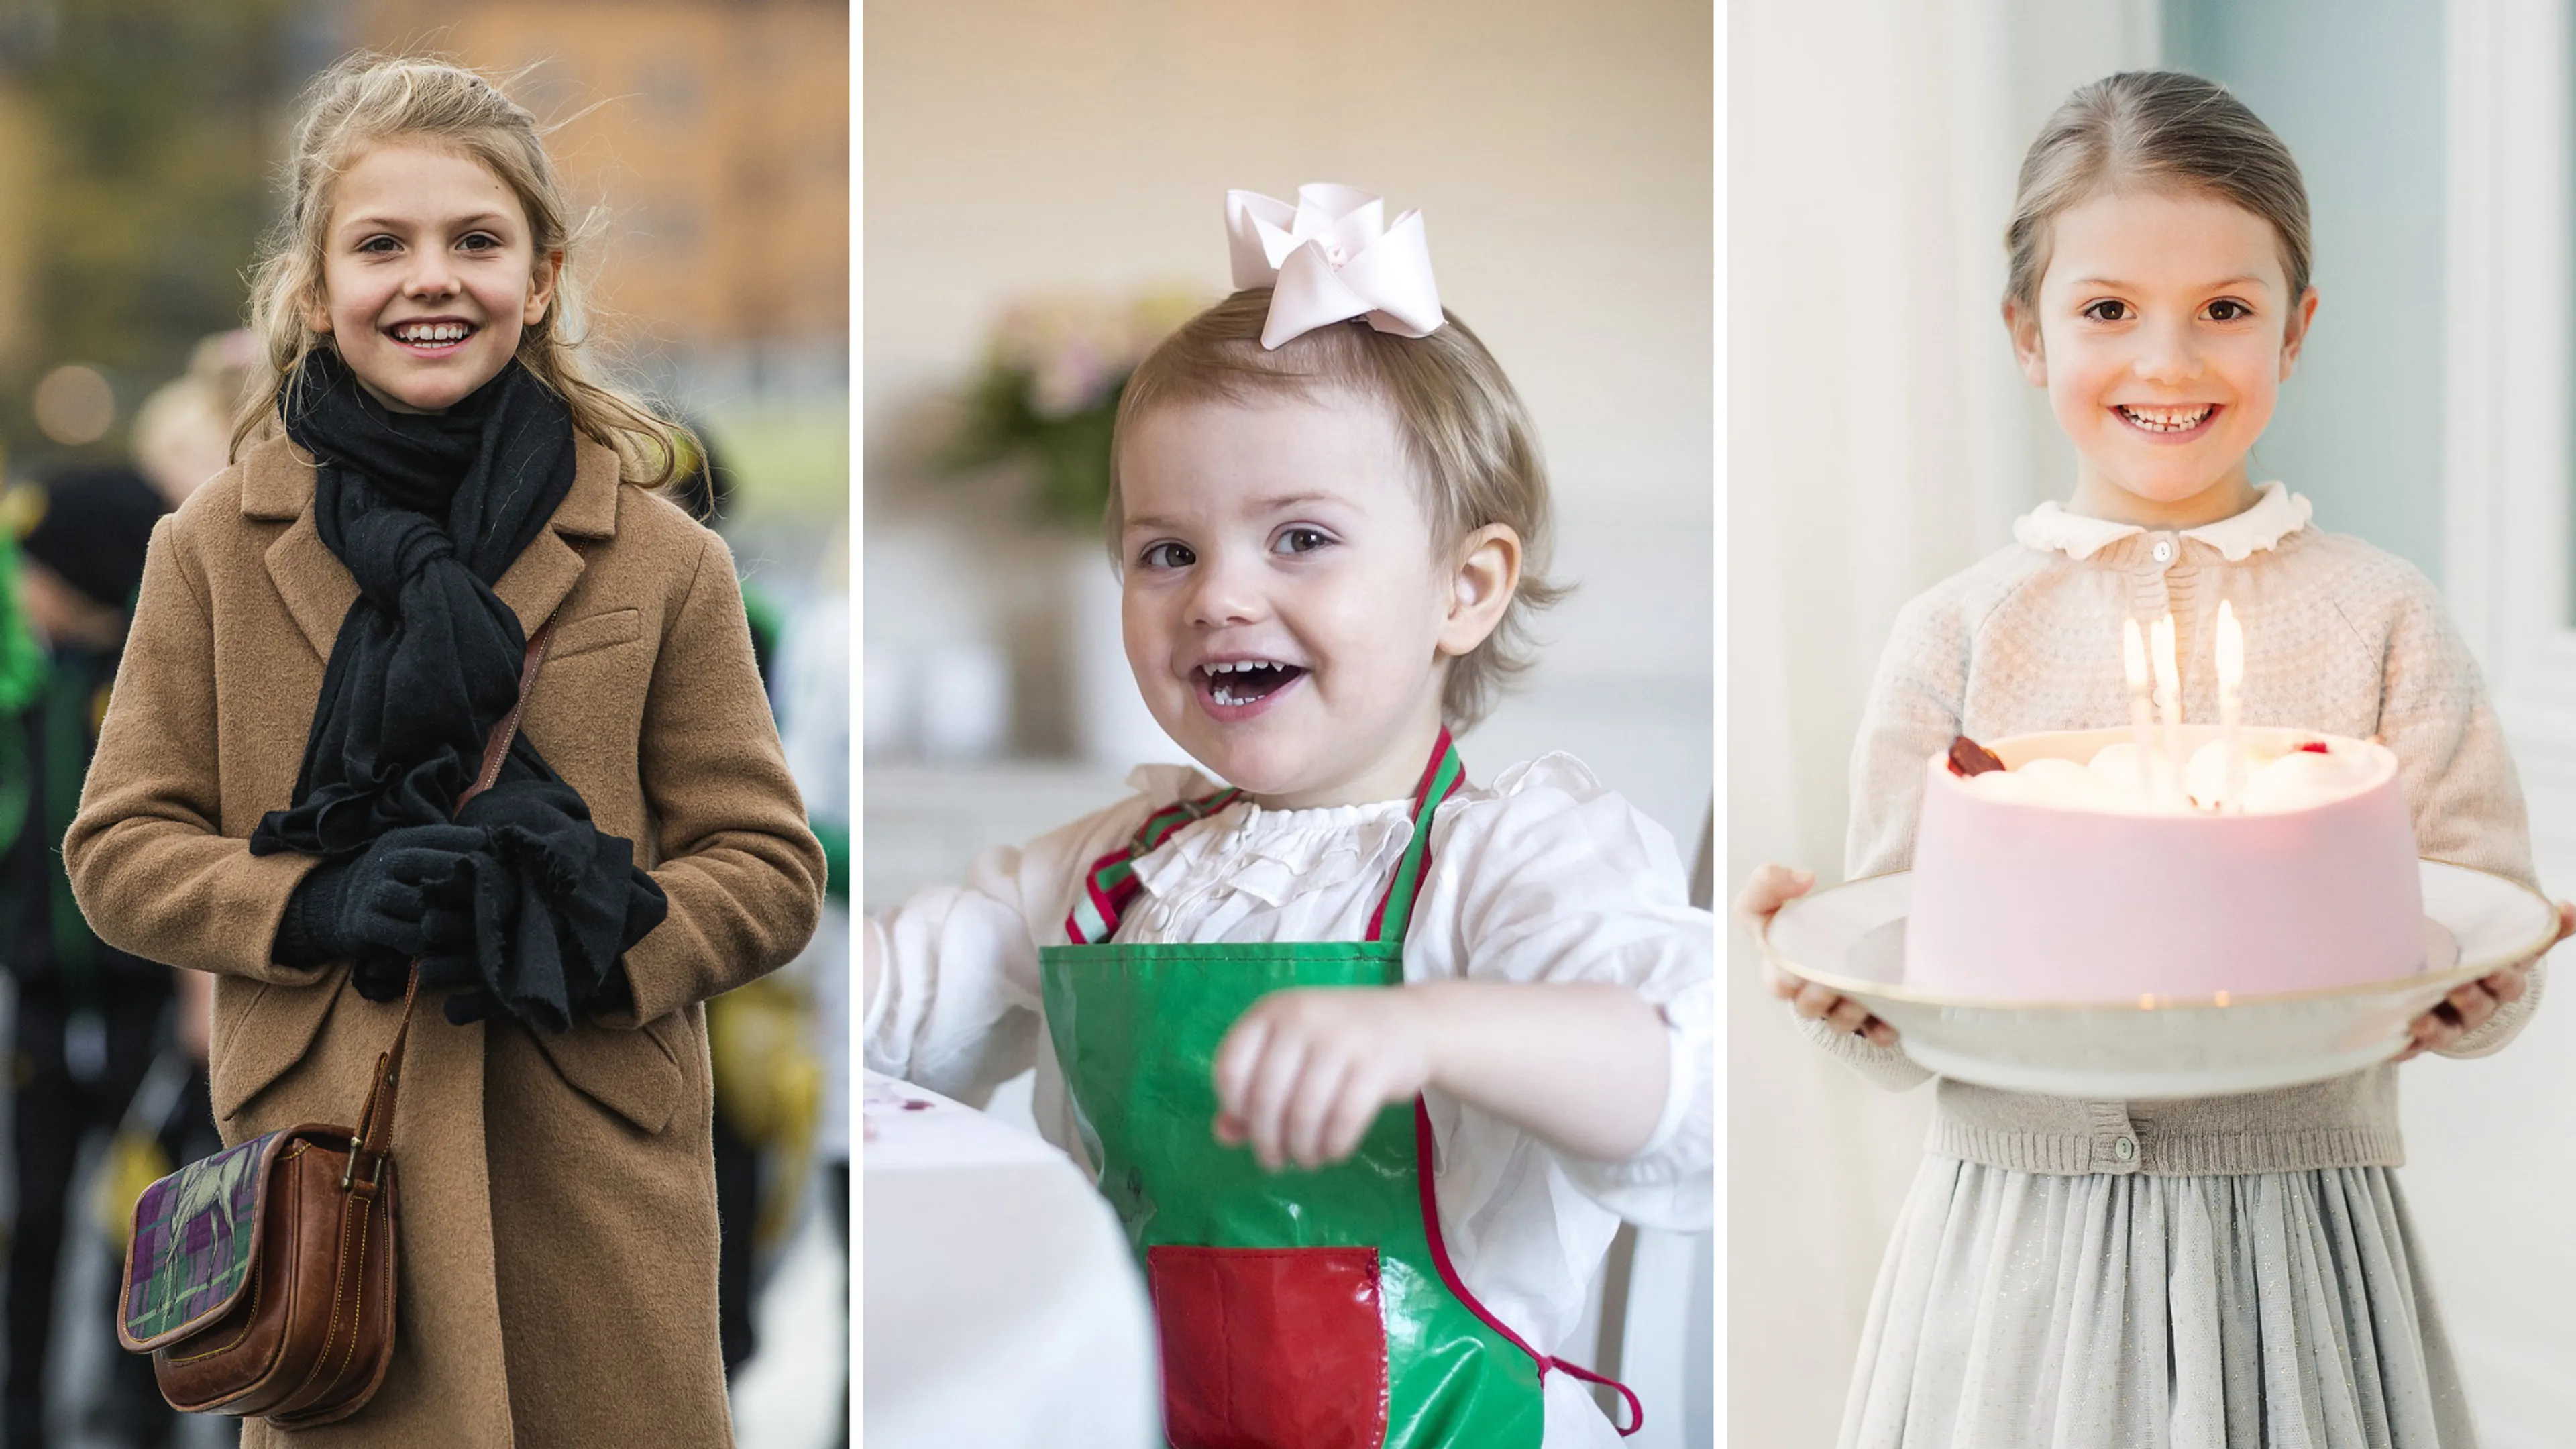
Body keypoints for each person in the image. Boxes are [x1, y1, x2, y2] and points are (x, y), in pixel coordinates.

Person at [1737, 72, 2576, 1447]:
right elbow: (1906, 971)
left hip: (2291, 1246)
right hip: (2019, 1248)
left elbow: (2472, 924)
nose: (2170, 364)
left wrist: (2486, 987)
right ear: (2028, 332)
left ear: (2297, 329)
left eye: (2226, 311)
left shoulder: (2383, 617)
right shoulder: (1956, 634)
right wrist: (1830, 996)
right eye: (2109, 310)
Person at [865, 185, 1712, 1447]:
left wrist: (1430, 1029)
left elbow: (1692, 1083)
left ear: (1466, 589)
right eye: (1167, 551)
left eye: (1301, 538)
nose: (1218, 597)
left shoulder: (1509, 863)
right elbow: (893, 994)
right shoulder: (1115, 869)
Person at [63, 53, 825, 1447]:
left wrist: (606, 934)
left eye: (477, 240)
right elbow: (117, 852)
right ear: (315, 287)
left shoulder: (663, 556)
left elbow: (772, 867)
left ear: (540, 279)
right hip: (335, 1202)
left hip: (597, 1190)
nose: (432, 279)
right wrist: (316, 901)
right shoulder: (210, 549)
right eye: (381, 245)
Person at [0, 464, 188, 1448]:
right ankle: (21, 1406)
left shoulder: (147, 686)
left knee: (144, 1221)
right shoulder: (32, 688)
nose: (25, 588)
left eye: (41, 571)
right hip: (40, 1005)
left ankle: (139, 1406)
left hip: (140, 1007)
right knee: (33, 1219)